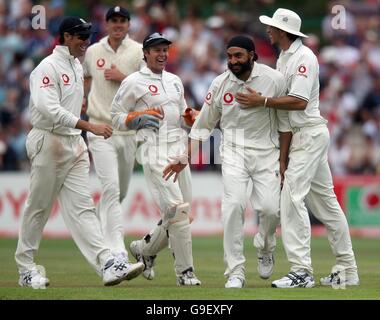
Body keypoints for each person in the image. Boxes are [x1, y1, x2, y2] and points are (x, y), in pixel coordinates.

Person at [15, 16, 144, 288]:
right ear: (65, 38)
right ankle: (26, 269)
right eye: (80, 36)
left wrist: (83, 124)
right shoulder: (46, 68)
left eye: (87, 36)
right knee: (39, 207)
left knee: (83, 208)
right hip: (48, 141)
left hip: (73, 143)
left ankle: (107, 263)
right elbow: (49, 108)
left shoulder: (75, 64)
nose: (86, 42)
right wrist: (89, 125)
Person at [237, 8, 359, 288]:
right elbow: (286, 117)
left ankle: (302, 270)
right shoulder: (284, 58)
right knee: (327, 206)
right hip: (300, 137)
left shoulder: (304, 58)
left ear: (283, 31)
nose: (268, 30)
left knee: (291, 199)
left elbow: (299, 101)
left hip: (310, 134)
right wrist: (283, 156)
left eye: (272, 27)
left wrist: (262, 101)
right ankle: (348, 268)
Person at [163, 35, 292, 288]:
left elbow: (286, 123)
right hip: (233, 152)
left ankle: (265, 245)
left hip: (267, 152)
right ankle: (235, 271)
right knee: (232, 207)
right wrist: (185, 157)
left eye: (238, 56)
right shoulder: (220, 83)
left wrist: (283, 160)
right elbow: (204, 125)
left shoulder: (273, 79)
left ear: (252, 55)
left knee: (269, 209)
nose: (232, 61)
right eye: (229, 56)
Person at [111, 32, 201, 286]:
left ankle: (143, 249)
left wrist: (190, 116)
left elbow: (183, 112)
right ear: (146, 53)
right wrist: (136, 118)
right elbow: (115, 116)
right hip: (153, 149)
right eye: (156, 50)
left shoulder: (174, 81)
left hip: (179, 149)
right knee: (178, 212)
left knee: (179, 215)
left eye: (165, 50)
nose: (162, 54)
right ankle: (185, 273)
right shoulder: (133, 81)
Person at [82, 6, 145, 267]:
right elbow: (85, 78)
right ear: (106, 24)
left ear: (128, 24)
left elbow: (149, 84)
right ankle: (116, 251)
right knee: (110, 190)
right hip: (100, 129)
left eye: (122, 21)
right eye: (113, 21)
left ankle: (96, 236)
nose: (118, 25)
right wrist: (82, 102)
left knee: (119, 193)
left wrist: (124, 77)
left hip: (127, 130)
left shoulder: (139, 50)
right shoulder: (94, 51)